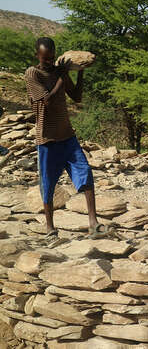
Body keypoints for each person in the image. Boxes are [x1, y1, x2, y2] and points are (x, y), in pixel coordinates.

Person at [24, 37, 108, 244]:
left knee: (85, 173)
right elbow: (47, 101)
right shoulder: (32, 73)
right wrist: (62, 75)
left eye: (52, 58)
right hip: (47, 139)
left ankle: (93, 223)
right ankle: (50, 228)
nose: (49, 62)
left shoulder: (58, 72)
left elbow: (77, 97)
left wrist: (79, 72)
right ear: (37, 56)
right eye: (45, 59)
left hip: (67, 136)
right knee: (48, 184)